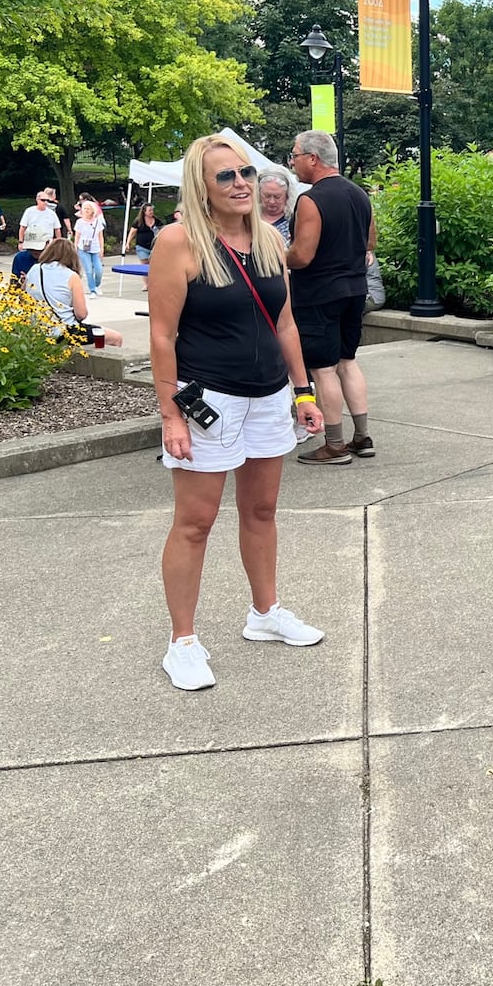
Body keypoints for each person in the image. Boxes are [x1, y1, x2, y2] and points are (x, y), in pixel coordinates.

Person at [147, 135, 326, 691]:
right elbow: (161, 334)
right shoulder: (178, 242)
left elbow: (286, 324)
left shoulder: (271, 240)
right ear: (201, 187)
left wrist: (303, 392)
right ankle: (182, 642)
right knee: (196, 522)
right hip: (209, 398)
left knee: (263, 510)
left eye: (245, 171)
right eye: (225, 176)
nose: (241, 183)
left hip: (269, 396)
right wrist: (171, 414)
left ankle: (265, 614)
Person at [286, 131, 376, 465]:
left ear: (313, 158)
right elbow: (371, 241)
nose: (293, 162)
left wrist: (276, 255)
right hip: (355, 288)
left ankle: (335, 445)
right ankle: (362, 436)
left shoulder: (312, 199)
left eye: (295, 155)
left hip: (319, 293)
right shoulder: (359, 194)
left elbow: (302, 255)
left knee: (324, 370)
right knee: (348, 362)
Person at [25, 239, 123, 346]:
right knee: (115, 338)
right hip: (64, 331)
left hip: (38, 328)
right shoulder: (71, 276)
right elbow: (81, 314)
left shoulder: (34, 269)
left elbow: (23, 295)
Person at [73, 196, 106, 295]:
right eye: (84, 208)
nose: (86, 210)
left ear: (93, 210)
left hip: (95, 248)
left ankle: (97, 285)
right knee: (88, 270)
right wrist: (75, 248)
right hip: (83, 248)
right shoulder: (79, 222)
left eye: (88, 209)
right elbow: (77, 236)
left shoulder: (97, 222)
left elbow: (100, 237)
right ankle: (92, 290)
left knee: (99, 269)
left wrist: (102, 249)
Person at [257, 168, 294, 243]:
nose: (272, 201)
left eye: (277, 197)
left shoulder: (294, 222)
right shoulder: (248, 218)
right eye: (267, 196)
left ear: (287, 196)